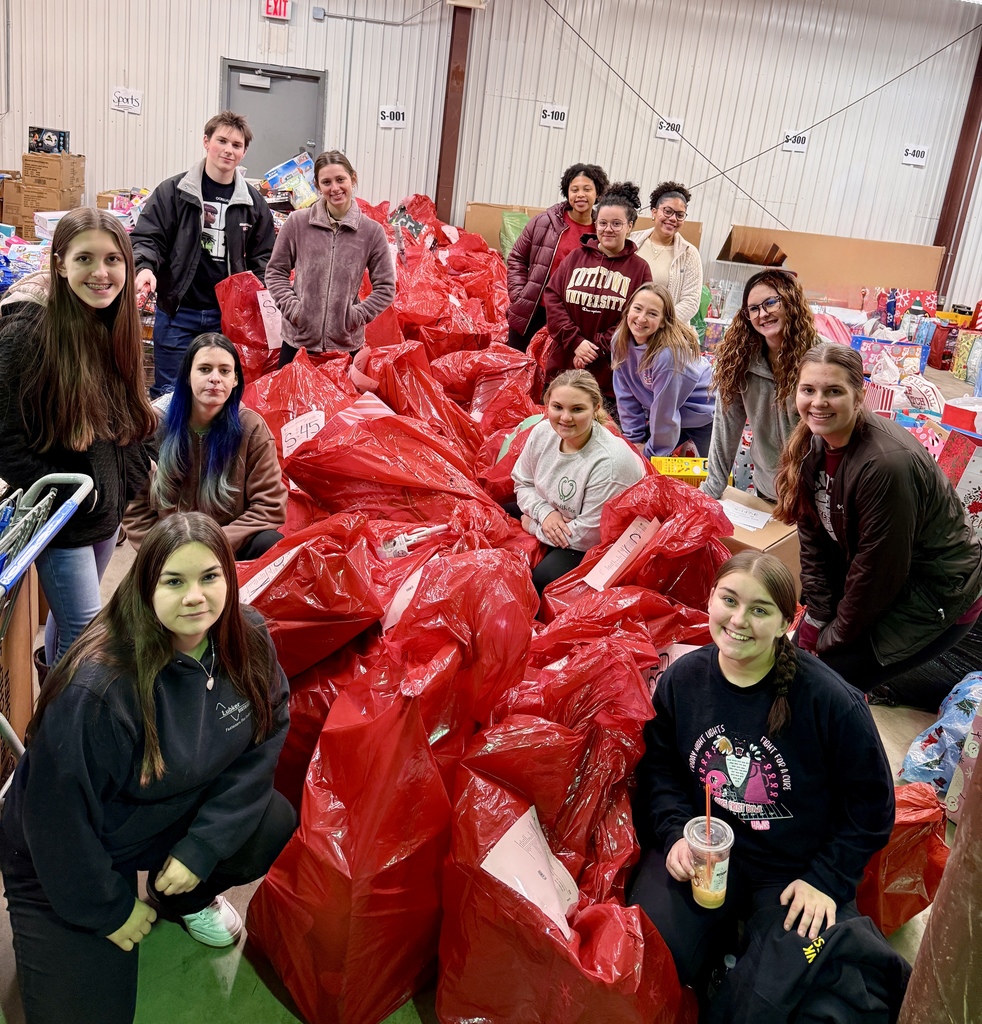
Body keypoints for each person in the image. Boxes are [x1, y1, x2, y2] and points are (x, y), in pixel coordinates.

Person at [0, 513, 294, 1024]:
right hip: (62, 851)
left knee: (271, 820)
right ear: (144, 587)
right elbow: (55, 819)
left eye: (209, 577)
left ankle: (178, 894)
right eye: (174, 582)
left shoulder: (248, 640)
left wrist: (202, 847)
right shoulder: (99, 690)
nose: (196, 597)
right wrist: (110, 909)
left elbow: (265, 739)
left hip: (161, 812)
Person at [630, 552, 897, 1016]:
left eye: (759, 609)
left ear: (786, 620)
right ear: (709, 599)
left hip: (792, 873)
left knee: (789, 997)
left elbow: (872, 805)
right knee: (648, 957)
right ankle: (717, 956)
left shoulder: (830, 700)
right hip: (705, 855)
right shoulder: (682, 680)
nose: (738, 620)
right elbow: (660, 769)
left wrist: (826, 880)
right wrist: (674, 833)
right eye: (728, 600)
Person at [774, 343, 982, 707]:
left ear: (859, 396)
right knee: (800, 660)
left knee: (829, 679)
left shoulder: (885, 464)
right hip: (885, 582)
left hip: (936, 594)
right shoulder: (811, 443)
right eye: (808, 390)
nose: (818, 402)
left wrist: (831, 638)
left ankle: (848, 754)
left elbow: (877, 574)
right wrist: (817, 617)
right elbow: (813, 541)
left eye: (833, 391)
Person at [0, 208, 155, 667]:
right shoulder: (30, 332)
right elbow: (5, 437)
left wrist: (127, 485)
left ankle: (51, 707)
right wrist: (67, 492)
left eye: (112, 259)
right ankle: (65, 731)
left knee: (70, 627)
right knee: (88, 634)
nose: (101, 273)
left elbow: (125, 414)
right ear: (60, 263)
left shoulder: (109, 320)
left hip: (103, 509)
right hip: (63, 515)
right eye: (85, 259)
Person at [130, 111, 276, 398]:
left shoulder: (253, 203)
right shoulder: (173, 192)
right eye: (222, 141)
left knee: (218, 394)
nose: (228, 149)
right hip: (178, 310)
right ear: (206, 142)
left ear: (244, 152)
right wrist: (144, 267)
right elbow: (148, 237)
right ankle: (170, 445)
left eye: (236, 145)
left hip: (226, 318)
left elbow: (264, 257)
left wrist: (259, 296)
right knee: (169, 394)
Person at [124, 333, 287, 560]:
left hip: (229, 547)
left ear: (236, 379)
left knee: (270, 542)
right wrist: (163, 552)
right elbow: (135, 508)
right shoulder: (152, 427)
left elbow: (269, 506)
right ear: (188, 377)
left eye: (224, 370)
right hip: (171, 550)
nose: (215, 378)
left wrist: (213, 543)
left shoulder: (252, 428)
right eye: (204, 369)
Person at [510, 369, 645, 594]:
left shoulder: (610, 463)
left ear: (596, 409)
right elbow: (522, 482)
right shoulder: (542, 432)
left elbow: (589, 535)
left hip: (597, 541)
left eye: (577, 409)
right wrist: (545, 513)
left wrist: (533, 525)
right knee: (495, 513)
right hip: (556, 513)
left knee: (541, 581)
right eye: (557, 407)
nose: (565, 418)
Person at [265, 150, 396, 367]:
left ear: (353, 179)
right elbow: (275, 271)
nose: (334, 188)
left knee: (343, 402)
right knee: (290, 400)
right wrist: (294, 310)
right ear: (317, 186)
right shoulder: (298, 223)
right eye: (326, 182)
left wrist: (356, 316)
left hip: (345, 346)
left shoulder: (371, 232)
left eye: (340, 179)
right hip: (298, 341)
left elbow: (386, 287)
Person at [702, 269, 821, 502]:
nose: (763, 314)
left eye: (770, 303)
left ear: (790, 300)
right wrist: (710, 494)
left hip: (815, 493)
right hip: (768, 490)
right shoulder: (739, 361)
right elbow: (725, 427)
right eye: (754, 309)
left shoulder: (820, 357)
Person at [542, 182, 652, 412]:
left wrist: (597, 348)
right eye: (602, 223)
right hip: (564, 364)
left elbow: (635, 318)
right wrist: (575, 342)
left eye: (616, 224)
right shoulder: (575, 258)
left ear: (629, 226)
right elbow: (553, 298)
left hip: (607, 376)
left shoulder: (640, 269)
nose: (608, 229)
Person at [505, 162, 609, 352]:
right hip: (534, 311)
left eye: (587, 189)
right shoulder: (545, 222)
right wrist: (519, 295)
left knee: (556, 375)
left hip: (573, 320)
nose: (580, 195)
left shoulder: (602, 231)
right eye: (574, 189)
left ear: (598, 193)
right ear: (567, 192)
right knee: (518, 368)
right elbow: (517, 258)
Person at [611, 283, 715, 458]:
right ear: (628, 310)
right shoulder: (619, 342)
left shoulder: (667, 355)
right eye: (637, 308)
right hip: (666, 411)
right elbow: (625, 396)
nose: (641, 318)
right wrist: (634, 441)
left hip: (703, 413)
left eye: (652, 314)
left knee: (710, 473)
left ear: (662, 322)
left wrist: (651, 455)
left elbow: (665, 414)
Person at [629, 181, 704, 324]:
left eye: (680, 215)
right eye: (667, 211)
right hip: (629, 329)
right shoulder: (631, 242)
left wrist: (658, 322)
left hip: (666, 334)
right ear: (654, 211)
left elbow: (691, 301)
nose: (673, 219)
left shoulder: (689, 254)